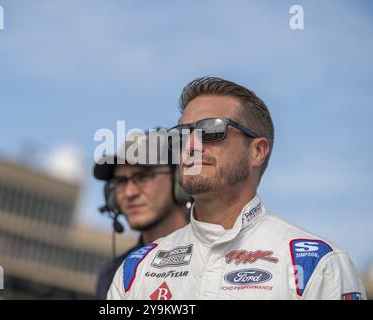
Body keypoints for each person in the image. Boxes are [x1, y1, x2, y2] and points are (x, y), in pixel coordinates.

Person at [107, 76, 366, 300]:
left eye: (211, 130)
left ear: (257, 151)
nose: (192, 146)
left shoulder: (318, 264)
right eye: (183, 134)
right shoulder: (136, 269)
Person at [93, 131, 191, 300]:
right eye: (121, 181)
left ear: (179, 179)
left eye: (144, 176)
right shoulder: (113, 274)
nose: (130, 192)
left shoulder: (220, 254)